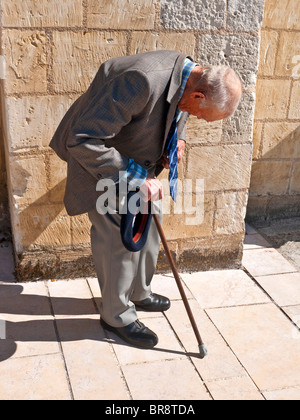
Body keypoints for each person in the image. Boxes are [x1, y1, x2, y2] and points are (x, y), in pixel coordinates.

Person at [50, 50, 242, 349]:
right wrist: (137, 178)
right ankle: (116, 316)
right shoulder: (141, 80)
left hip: (139, 163)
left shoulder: (189, 77)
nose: (199, 119)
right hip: (102, 166)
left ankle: (138, 292)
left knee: (150, 227)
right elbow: (83, 138)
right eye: (201, 114)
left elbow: (177, 112)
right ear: (199, 96)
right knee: (120, 239)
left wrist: (176, 139)